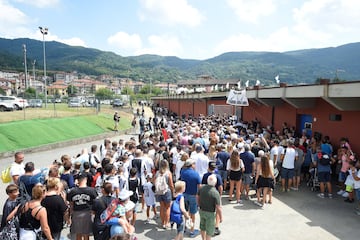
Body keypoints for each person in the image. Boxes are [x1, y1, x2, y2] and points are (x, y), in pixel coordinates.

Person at [67, 173, 98, 240]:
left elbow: (71, 205)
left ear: (78, 180)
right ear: (86, 179)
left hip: (76, 213)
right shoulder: (91, 190)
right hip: (88, 213)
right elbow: (95, 203)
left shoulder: (72, 191)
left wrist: (70, 215)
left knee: (78, 233)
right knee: (86, 234)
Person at [180, 158, 201, 237]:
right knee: (192, 213)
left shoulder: (183, 172)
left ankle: (185, 227)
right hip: (193, 195)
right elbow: (199, 186)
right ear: (191, 165)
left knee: (185, 212)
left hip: (184, 194)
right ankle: (192, 230)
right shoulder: (195, 174)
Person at [197, 174, 222, 240]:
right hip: (210, 213)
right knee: (209, 230)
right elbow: (218, 207)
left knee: (202, 227)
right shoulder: (215, 193)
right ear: (215, 182)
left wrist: (199, 204)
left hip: (202, 210)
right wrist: (221, 217)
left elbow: (197, 197)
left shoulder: (201, 188)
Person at [201, 161, 223, 236]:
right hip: (215, 194)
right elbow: (220, 187)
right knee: (217, 209)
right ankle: (216, 226)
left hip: (207, 195)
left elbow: (202, 185)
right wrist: (220, 195)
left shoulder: (205, 175)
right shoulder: (218, 176)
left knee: (207, 210)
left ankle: (207, 226)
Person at [154, 159, 174, 229]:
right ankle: (167, 222)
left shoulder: (157, 173)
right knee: (168, 207)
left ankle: (163, 222)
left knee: (162, 207)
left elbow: (154, 182)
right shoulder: (168, 173)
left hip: (159, 192)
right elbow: (171, 184)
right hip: (166, 191)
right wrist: (173, 191)